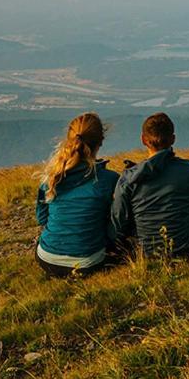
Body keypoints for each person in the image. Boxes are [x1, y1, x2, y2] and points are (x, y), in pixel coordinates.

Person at [110, 112, 189, 256]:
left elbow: (118, 221)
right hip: (187, 244)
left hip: (146, 250)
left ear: (143, 140)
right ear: (173, 139)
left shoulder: (129, 177)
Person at [36, 112, 119, 277]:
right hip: (88, 262)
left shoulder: (51, 177)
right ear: (101, 141)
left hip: (47, 259)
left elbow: (42, 219)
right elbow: (116, 222)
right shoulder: (109, 180)